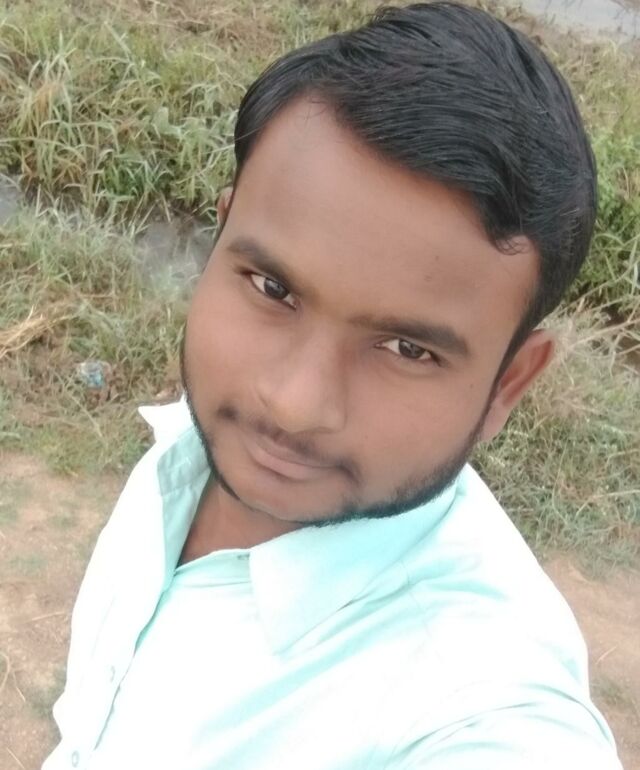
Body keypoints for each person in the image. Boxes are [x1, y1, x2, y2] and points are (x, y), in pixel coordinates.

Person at [43, 3, 623, 769]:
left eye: (408, 349)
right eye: (273, 288)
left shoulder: (481, 709)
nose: (293, 403)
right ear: (220, 240)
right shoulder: (189, 449)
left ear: (506, 385)